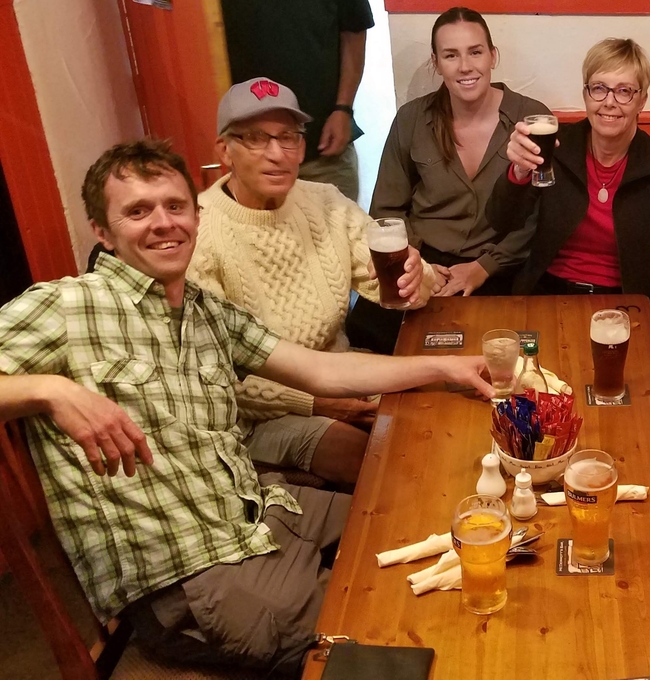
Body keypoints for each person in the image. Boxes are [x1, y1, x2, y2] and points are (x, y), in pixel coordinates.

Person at [0, 139, 494, 674]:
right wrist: (49, 390)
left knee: (440, 519)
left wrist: (448, 367)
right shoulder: (67, 306)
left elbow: (321, 369)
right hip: (191, 576)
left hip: (260, 513)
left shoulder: (205, 310)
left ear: (196, 213)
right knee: (404, 628)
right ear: (103, 231)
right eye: (138, 211)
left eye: (175, 206)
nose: (163, 223)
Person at [188, 77, 435, 488]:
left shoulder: (323, 201)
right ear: (224, 151)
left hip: (342, 376)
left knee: (436, 417)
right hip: (258, 413)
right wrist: (316, 402)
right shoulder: (198, 232)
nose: (276, 154)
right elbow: (214, 382)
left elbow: (406, 289)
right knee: (383, 466)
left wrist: (415, 275)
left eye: (288, 137)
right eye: (255, 138)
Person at [490, 37, 650, 318]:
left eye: (624, 91)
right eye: (599, 88)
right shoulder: (557, 147)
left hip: (624, 305)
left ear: (642, 101)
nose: (609, 102)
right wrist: (519, 172)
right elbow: (501, 222)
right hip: (547, 294)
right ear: (586, 94)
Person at [371, 7, 549, 298]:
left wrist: (484, 266)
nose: (465, 66)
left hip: (501, 268)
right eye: (451, 55)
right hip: (422, 265)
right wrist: (418, 262)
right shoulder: (411, 119)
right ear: (436, 63)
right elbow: (386, 209)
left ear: (493, 55)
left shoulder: (531, 119)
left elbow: (542, 215)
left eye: (475, 52)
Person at [215, 0, 374, 200]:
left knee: (342, 234)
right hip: (247, 153)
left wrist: (343, 109)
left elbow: (354, 30)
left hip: (323, 147)